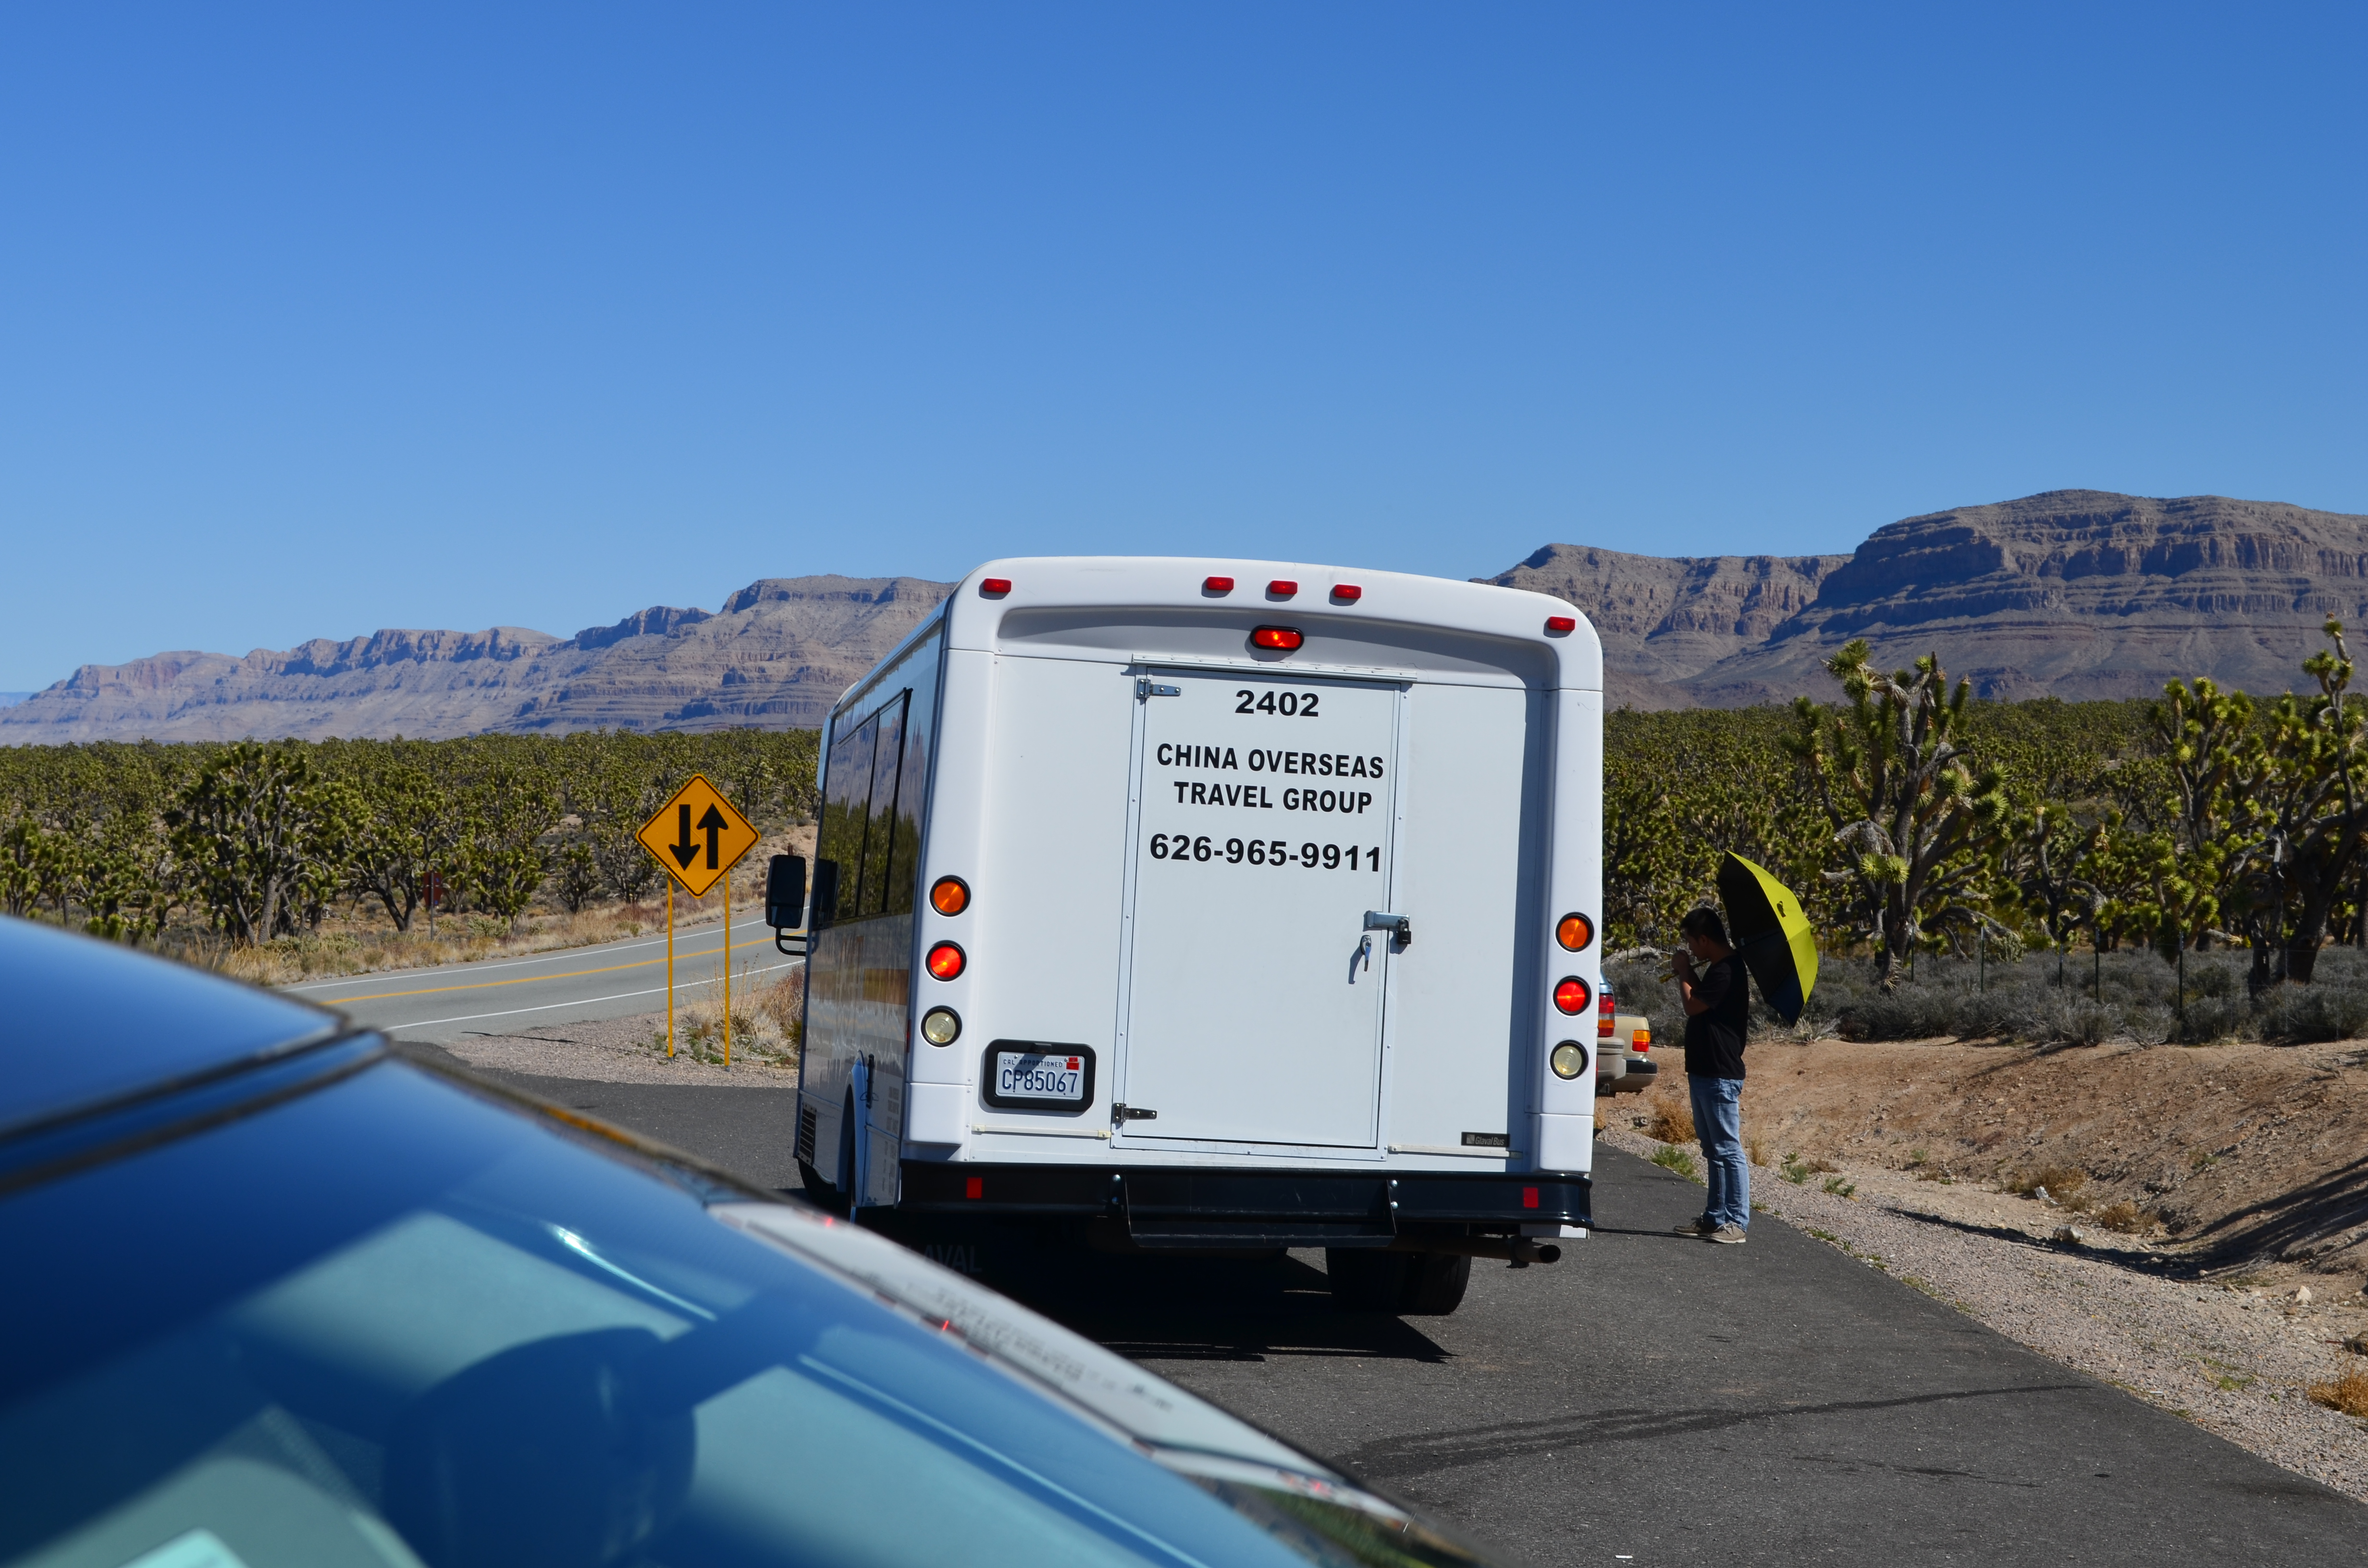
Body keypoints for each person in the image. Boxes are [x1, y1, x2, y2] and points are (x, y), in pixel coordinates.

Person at [1669, 906, 1751, 1244]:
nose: (1690, 947)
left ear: (1704, 939)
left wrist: (1684, 971)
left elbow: (1692, 1005)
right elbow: (1702, 1002)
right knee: (1712, 1149)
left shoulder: (1728, 970)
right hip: (1704, 1070)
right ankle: (1715, 1217)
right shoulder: (1719, 969)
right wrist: (1689, 971)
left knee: (1728, 1149)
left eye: (1691, 940)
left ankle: (1736, 1221)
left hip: (1719, 1073)